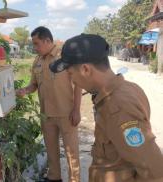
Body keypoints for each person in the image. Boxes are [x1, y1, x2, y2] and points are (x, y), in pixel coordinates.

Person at [49, 33, 163, 182]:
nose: (73, 80)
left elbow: (155, 170)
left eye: (71, 74)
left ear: (85, 69)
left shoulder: (117, 107)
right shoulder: (126, 88)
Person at [16, 26, 82, 182]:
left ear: (47, 41)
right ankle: (54, 178)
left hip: (67, 114)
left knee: (71, 153)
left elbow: (79, 83)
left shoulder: (65, 57)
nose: (34, 47)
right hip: (46, 115)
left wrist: (77, 110)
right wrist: (25, 90)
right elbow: (34, 85)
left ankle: (74, 180)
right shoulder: (37, 61)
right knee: (51, 151)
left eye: (36, 43)